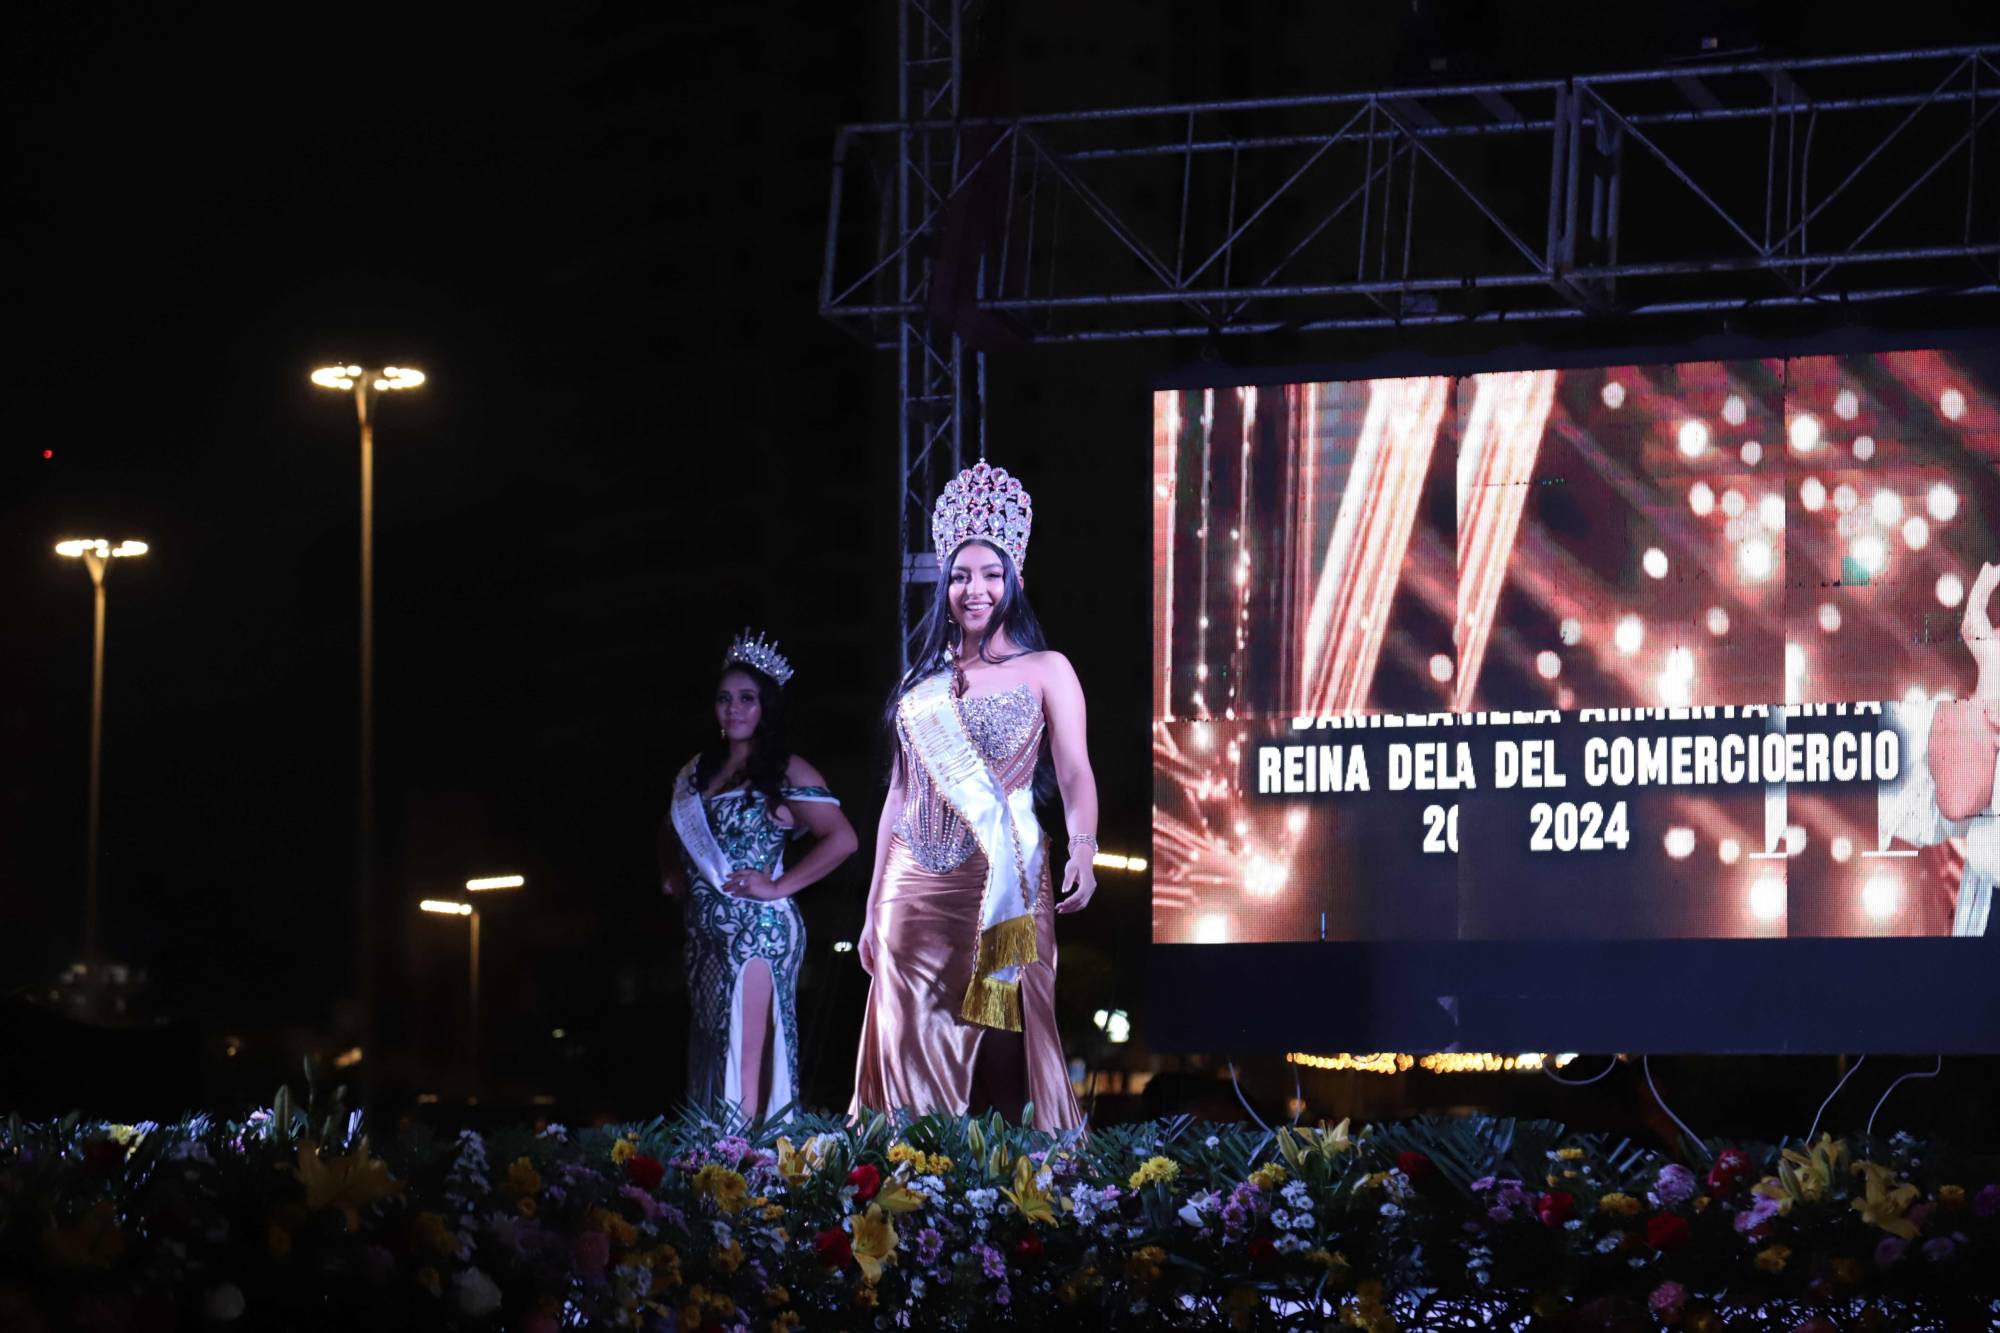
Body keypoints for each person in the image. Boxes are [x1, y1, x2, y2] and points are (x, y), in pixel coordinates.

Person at [850, 461, 1096, 1131]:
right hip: (911, 886)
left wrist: (1083, 846)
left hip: (1004, 875)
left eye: (990, 574)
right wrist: (871, 906)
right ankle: (909, 1174)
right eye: (960, 575)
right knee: (906, 1043)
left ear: (1014, 580)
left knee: (1004, 1036)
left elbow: (1074, 771)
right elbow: (899, 793)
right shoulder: (921, 681)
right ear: (945, 585)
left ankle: (1005, 1181)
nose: (974, 589)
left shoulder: (1047, 669)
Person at [659, 631, 858, 1123]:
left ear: (766, 706)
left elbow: (842, 839)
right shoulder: (696, 772)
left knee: (743, 1053)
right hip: (703, 934)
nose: (734, 709)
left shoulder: (787, 769)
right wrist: (671, 871)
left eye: (747, 698)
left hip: (758, 933)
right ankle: (710, 1159)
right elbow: (668, 829)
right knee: (709, 1051)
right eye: (725, 698)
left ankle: (744, 1162)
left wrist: (778, 886)